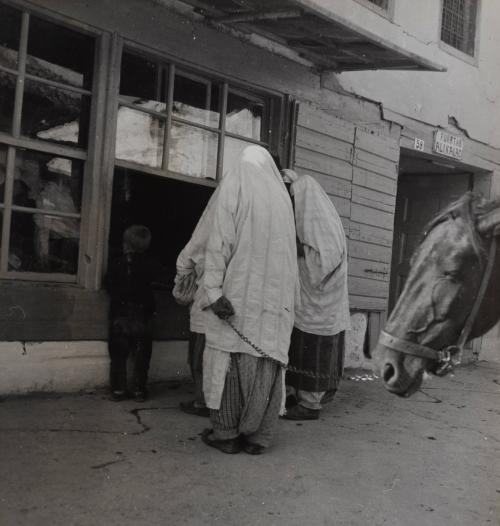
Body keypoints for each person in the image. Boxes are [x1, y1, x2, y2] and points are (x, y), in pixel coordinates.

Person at [200, 145, 298, 455]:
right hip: (275, 303)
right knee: (266, 363)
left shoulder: (238, 180)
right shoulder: (282, 196)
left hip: (238, 295)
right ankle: (258, 438)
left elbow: (219, 242)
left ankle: (227, 435)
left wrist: (213, 291)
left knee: (229, 360)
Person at [282, 170, 350, 421]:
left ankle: (310, 405)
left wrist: (296, 248)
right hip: (311, 300)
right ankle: (298, 397)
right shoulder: (315, 216)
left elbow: (326, 261)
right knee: (301, 347)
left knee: (314, 351)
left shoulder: (319, 221)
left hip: (321, 300)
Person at [104, 225, 167, 402]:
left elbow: (108, 283)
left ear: (125, 244)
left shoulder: (116, 263)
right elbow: (162, 279)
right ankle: (139, 390)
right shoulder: (151, 264)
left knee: (118, 353)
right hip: (143, 314)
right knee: (142, 354)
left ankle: (118, 390)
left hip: (120, 313)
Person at [173, 188, 220, 417]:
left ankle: (202, 401)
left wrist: (182, 283)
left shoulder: (205, 239)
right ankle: (211, 400)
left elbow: (185, 261)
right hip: (218, 307)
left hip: (204, 305)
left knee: (200, 357)